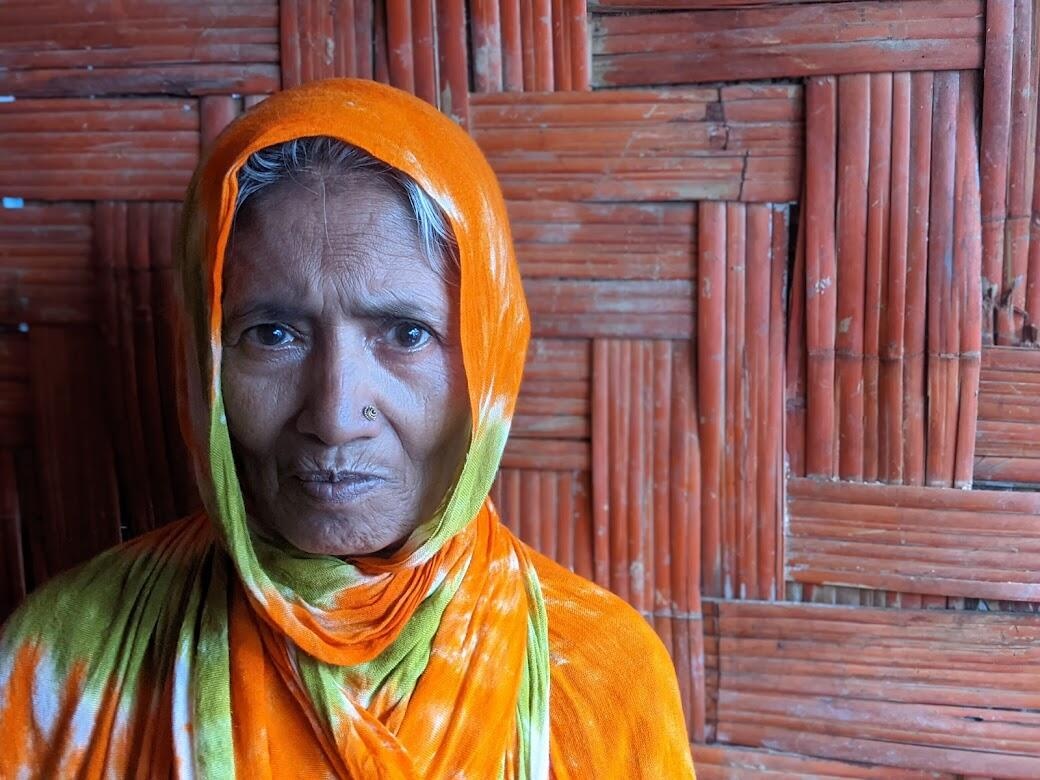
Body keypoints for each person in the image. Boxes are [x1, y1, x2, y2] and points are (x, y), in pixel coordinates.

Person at [0, 79, 695, 778]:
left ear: (492, 359)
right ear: (203, 358)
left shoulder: (603, 681)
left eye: (407, 333)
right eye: (272, 333)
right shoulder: (57, 667)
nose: (334, 416)